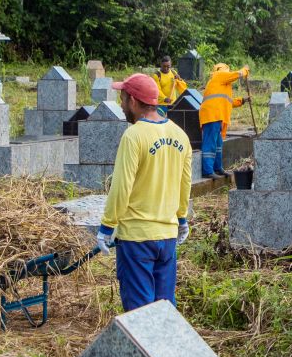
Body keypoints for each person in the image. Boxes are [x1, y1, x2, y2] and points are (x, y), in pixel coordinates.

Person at [96, 74, 193, 310]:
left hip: (137, 237)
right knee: (164, 308)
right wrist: (181, 219)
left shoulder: (134, 136)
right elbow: (185, 183)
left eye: (123, 98)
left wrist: (107, 226)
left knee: (140, 312)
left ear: (134, 101)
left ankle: (142, 348)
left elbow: (121, 186)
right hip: (167, 237)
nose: (121, 105)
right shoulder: (180, 135)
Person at [199, 62, 248, 177]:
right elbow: (238, 74)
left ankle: (217, 168)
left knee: (218, 143)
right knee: (210, 142)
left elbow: (228, 102)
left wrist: (242, 100)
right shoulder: (219, 75)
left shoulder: (222, 85)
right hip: (212, 114)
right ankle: (208, 171)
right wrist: (246, 70)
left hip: (217, 115)